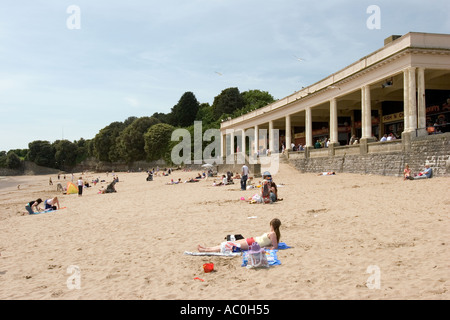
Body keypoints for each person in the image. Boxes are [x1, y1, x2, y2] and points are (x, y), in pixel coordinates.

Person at [197, 218, 282, 253]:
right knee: (230, 243)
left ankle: (206, 250)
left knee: (228, 245)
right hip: (252, 240)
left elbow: (274, 246)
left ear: (272, 225)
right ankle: (206, 248)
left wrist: (262, 248)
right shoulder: (272, 233)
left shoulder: (273, 234)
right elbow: (271, 243)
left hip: (252, 244)